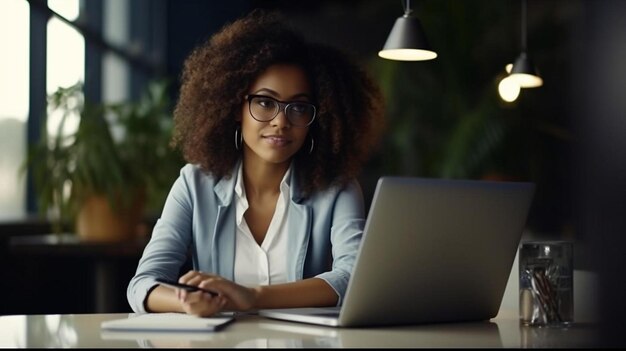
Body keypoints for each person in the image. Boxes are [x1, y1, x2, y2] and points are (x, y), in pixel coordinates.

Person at [127, 9, 384, 317]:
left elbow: (352, 277)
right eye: (264, 102)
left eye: (299, 107)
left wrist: (252, 296)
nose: (280, 121)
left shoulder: (337, 189)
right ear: (236, 107)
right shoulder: (193, 185)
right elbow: (143, 284)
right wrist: (186, 301)